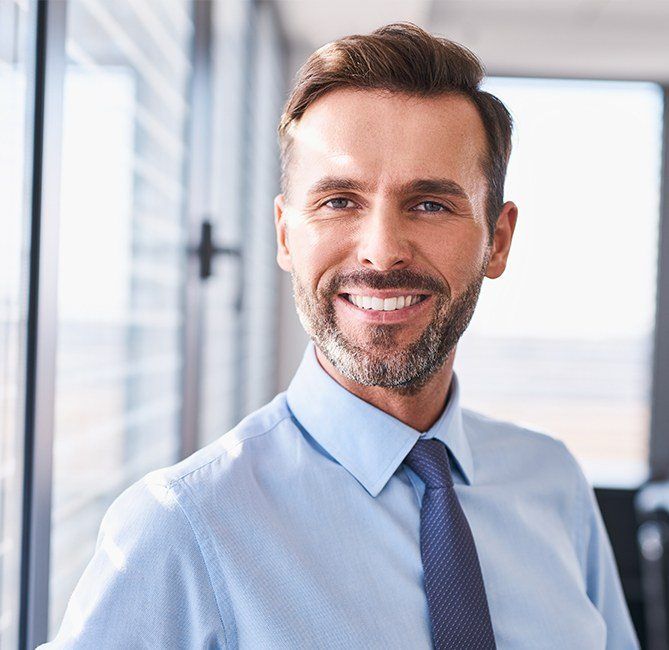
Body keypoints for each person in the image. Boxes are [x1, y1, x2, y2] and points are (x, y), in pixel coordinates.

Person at [41, 22, 639, 649]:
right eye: (339, 201)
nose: (381, 253)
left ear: (499, 239)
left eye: (431, 204)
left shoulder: (553, 484)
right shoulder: (181, 530)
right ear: (284, 234)